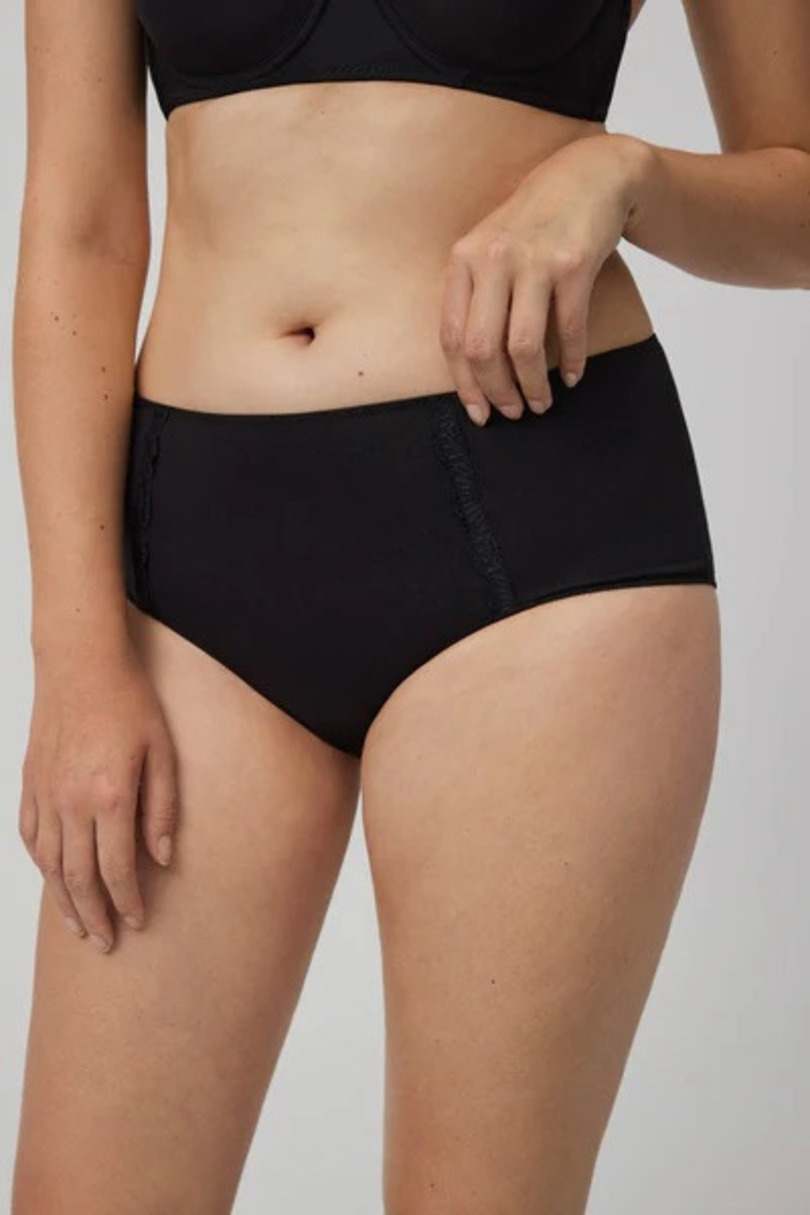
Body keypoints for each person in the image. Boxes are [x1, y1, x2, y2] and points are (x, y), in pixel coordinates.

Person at [10, 0, 809, 1211]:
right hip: (193, 575)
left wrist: (625, 176)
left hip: (541, 542)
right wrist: (76, 655)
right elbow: (78, 224)